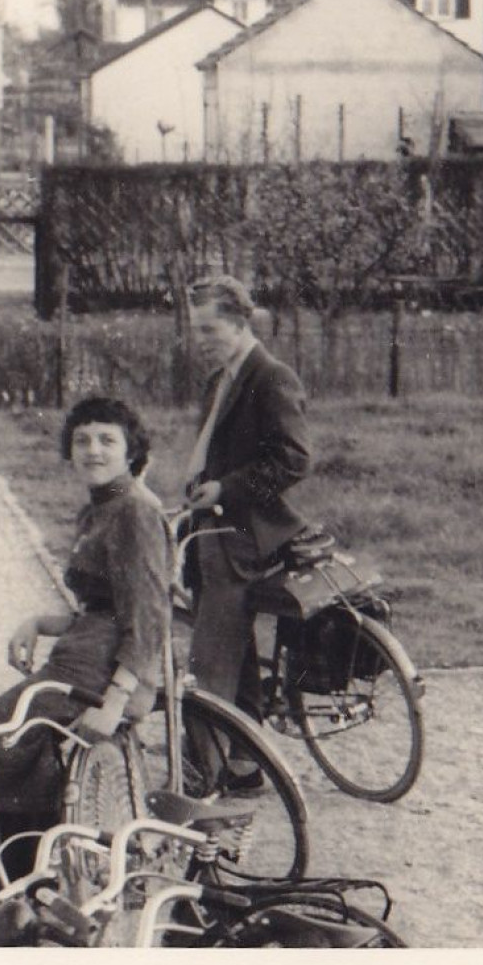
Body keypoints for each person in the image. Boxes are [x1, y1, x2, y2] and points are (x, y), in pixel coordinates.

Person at [0, 397, 170, 867]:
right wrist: (40, 623)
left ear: (130, 450)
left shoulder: (134, 511)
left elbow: (148, 615)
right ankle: (20, 878)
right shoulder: (101, 507)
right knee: (17, 754)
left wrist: (115, 700)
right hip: (84, 658)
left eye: (107, 440)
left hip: (105, 676)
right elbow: (105, 607)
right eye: (82, 440)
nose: (92, 450)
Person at [182, 275, 311, 744]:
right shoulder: (221, 379)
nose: (201, 342)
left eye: (209, 331)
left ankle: (201, 773)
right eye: (196, 330)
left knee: (209, 661)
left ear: (239, 323)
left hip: (245, 537)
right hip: (210, 533)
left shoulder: (271, 376)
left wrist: (225, 490)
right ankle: (246, 762)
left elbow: (294, 460)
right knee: (234, 657)